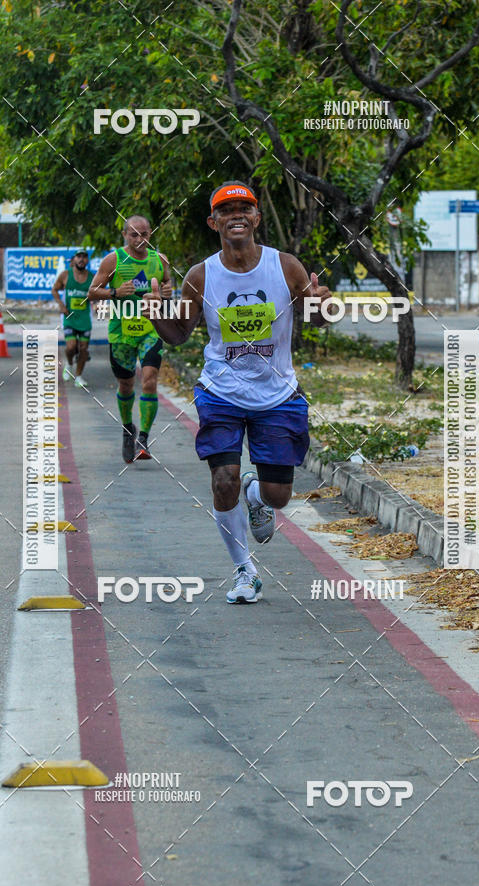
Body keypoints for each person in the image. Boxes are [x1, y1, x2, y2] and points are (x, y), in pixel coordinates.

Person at [143, 181, 331, 604]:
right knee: (222, 479)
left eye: (244, 208)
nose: (236, 216)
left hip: (277, 394)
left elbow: (316, 318)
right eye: (226, 211)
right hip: (221, 391)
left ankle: (255, 493)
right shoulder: (201, 276)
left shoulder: (285, 266)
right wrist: (156, 315)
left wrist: (322, 306)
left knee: (278, 497)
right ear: (214, 223)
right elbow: (179, 334)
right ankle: (245, 570)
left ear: (257, 218)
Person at [88, 216, 172, 462]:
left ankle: (143, 438)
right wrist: (115, 292)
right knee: (126, 385)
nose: (140, 239)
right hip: (121, 333)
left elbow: (167, 284)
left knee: (149, 381)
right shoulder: (113, 260)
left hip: (151, 329)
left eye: (144, 234)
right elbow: (92, 292)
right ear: (125, 235)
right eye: (134, 234)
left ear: (150, 234)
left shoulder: (160, 260)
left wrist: (167, 292)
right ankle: (128, 429)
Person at [52, 250, 94, 388]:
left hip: (85, 318)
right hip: (69, 317)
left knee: (84, 349)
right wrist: (61, 304)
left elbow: (97, 294)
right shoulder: (65, 275)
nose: (81, 259)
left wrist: (97, 303)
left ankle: (79, 376)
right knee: (70, 347)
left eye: (84, 257)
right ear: (74, 259)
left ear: (87, 260)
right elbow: (54, 290)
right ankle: (69, 365)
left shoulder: (92, 277)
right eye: (79, 256)